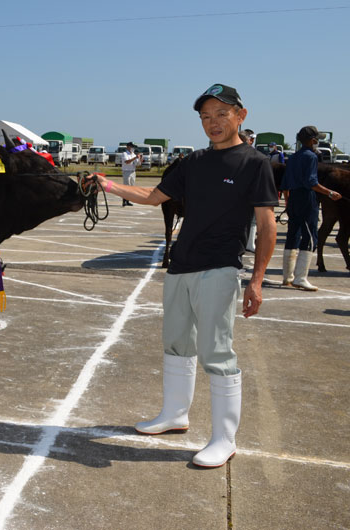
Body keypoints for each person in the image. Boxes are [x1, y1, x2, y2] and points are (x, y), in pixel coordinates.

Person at [92, 83, 279, 468]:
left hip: (220, 268)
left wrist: (257, 280)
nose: (213, 122)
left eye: (221, 114)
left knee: (217, 352)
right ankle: (175, 415)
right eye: (205, 116)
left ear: (240, 116)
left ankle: (224, 439)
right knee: (176, 344)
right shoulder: (193, 162)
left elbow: (267, 223)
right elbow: (153, 197)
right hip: (180, 266)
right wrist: (107, 184)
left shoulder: (254, 163)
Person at [279, 125, 342, 290]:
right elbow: (311, 182)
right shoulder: (311, 157)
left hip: (292, 197)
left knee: (293, 234)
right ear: (313, 140)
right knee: (309, 236)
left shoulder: (292, 158)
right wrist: (329, 193)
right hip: (306, 198)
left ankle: (287, 276)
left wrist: (287, 201)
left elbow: (285, 184)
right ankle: (301, 277)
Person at [120, 142, 142, 206]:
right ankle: (124, 201)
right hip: (126, 171)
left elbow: (137, 164)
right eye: (131, 147)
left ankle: (128, 200)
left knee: (131, 187)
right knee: (126, 187)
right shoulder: (125, 154)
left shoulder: (133, 154)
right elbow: (127, 162)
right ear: (128, 147)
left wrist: (140, 158)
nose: (132, 148)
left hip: (133, 172)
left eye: (133, 147)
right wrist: (135, 158)